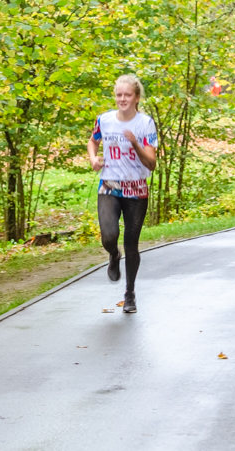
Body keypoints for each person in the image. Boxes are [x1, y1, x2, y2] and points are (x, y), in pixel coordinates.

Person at [87, 75, 158, 313]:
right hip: (110, 185)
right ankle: (112, 255)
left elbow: (152, 164)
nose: (123, 99)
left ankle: (129, 293)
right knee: (109, 235)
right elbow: (92, 141)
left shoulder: (145, 124)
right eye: (119, 95)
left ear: (137, 98)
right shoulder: (104, 120)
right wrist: (93, 159)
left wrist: (135, 144)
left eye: (128, 95)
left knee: (131, 243)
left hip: (136, 188)